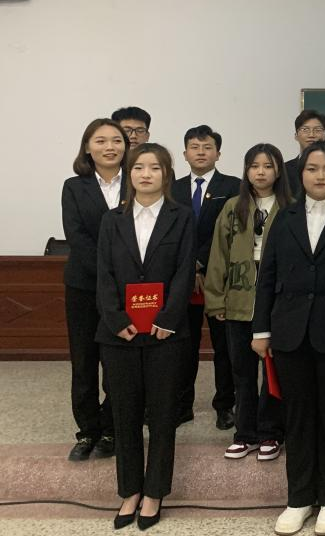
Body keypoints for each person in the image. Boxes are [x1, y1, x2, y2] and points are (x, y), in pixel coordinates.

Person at [251, 141, 325, 536]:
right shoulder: (284, 217)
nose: (320, 176)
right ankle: (299, 498)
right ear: (299, 174)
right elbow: (267, 275)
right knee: (297, 417)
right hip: (289, 333)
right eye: (312, 168)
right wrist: (261, 329)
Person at [95, 143, 194, 530]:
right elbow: (103, 274)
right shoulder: (112, 220)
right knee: (125, 415)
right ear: (129, 174)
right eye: (139, 167)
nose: (146, 174)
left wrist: (168, 318)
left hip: (164, 333)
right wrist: (116, 319)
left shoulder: (181, 217)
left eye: (155, 167)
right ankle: (130, 491)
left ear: (167, 174)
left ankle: (154, 492)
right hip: (119, 334)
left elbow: (184, 271)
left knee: (163, 414)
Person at [203, 143, 292, 462]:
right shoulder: (232, 206)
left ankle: (271, 432)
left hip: (276, 304)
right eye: (254, 166)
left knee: (272, 372)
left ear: (279, 170)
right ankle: (245, 433)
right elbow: (218, 255)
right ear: (246, 171)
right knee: (241, 372)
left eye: (268, 166)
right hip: (238, 300)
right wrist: (216, 300)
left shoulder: (291, 207)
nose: (261, 172)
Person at [62, 118, 129, 461]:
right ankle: (87, 430)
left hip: (128, 288)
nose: (109, 147)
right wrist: (108, 276)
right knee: (84, 360)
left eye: (116, 140)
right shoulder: (74, 187)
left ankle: (111, 428)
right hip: (84, 286)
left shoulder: (138, 181)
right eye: (100, 140)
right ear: (87, 147)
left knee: (119, 361)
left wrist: (121, 279)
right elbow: (77, 236)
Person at [171, 125, 238, 430]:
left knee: (224, 346)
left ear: (218, 153)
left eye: (207, 147)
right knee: (184, 346)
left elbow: (230, 231)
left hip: (220, 278)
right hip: (182, 279)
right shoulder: (171, 188)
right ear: (185, 154)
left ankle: (225, 405)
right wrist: (190, 267)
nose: (201, 152)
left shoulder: (233, 186)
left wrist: (200, 263)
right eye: (194, 147)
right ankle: (182, 405)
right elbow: (170, 233)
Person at [285, 110, 325, 200]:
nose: (311, 135)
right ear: (296, 135)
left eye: (317, 130)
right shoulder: (284, 170)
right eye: (305, 129)